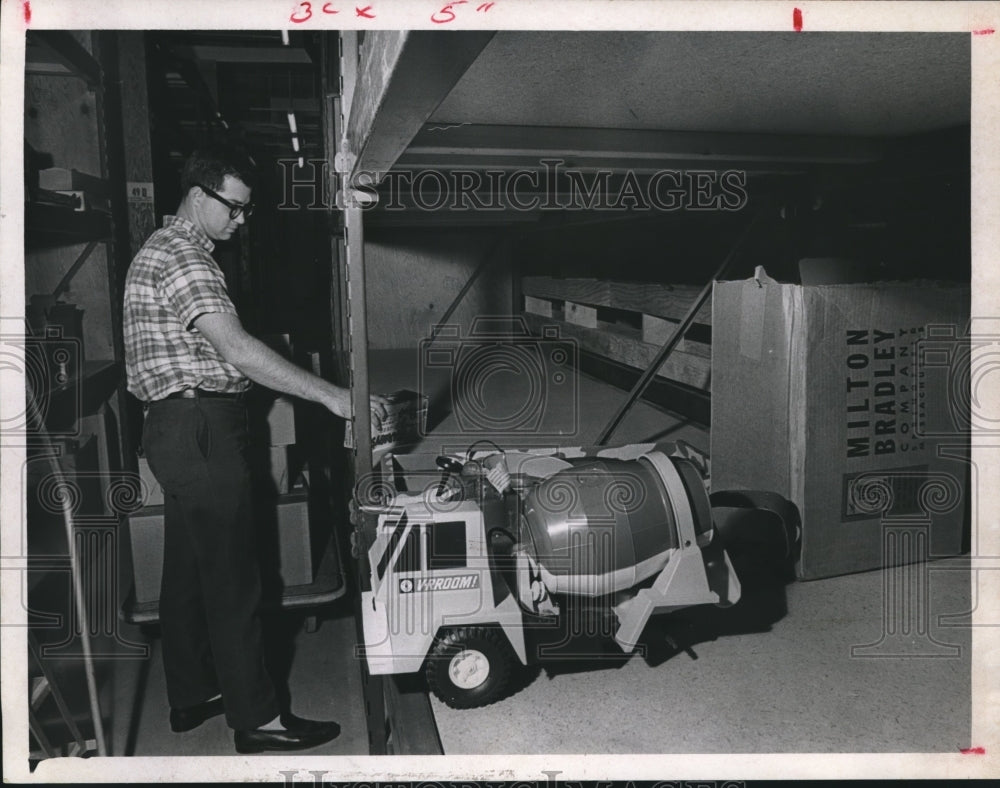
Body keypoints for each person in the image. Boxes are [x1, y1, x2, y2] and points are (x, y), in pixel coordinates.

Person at [123, 147, 386, 753]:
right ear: (199, 195)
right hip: (200, 424)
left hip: (175, 427)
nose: (243, 221)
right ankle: (258, 719)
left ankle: (191, 696)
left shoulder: (162, 251)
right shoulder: (185, 256)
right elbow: (236, 349)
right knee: (237, 579)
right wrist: (332, 397)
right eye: (235, 208)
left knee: (189, 571)